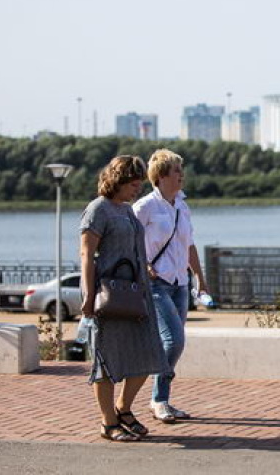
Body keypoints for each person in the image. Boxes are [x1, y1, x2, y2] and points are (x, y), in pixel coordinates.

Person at [80, 155, 168, 442]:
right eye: (133, 184)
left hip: (135, 293)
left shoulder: (127, 210)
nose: (137, 189)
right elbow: (86, 255)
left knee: (149, 353)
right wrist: (88, 295)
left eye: (139, 184)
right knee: (106, 359)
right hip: (108, 296)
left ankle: (123, 408)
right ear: (117, 181)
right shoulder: (98, 209)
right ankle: (108, 422)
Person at [134, 149, 209, 424]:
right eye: (176, 170)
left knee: (173, 342)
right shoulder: (144, 207)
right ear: (162, 175)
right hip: (156, 283)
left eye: (181, 169)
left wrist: (199, 277)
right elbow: (127, 241)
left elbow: (189, 245)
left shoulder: (182, 206)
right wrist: (144, 265)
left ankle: (161, 399)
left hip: (180, 283)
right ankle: (157, 399)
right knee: (174, 340)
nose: (181, 175)